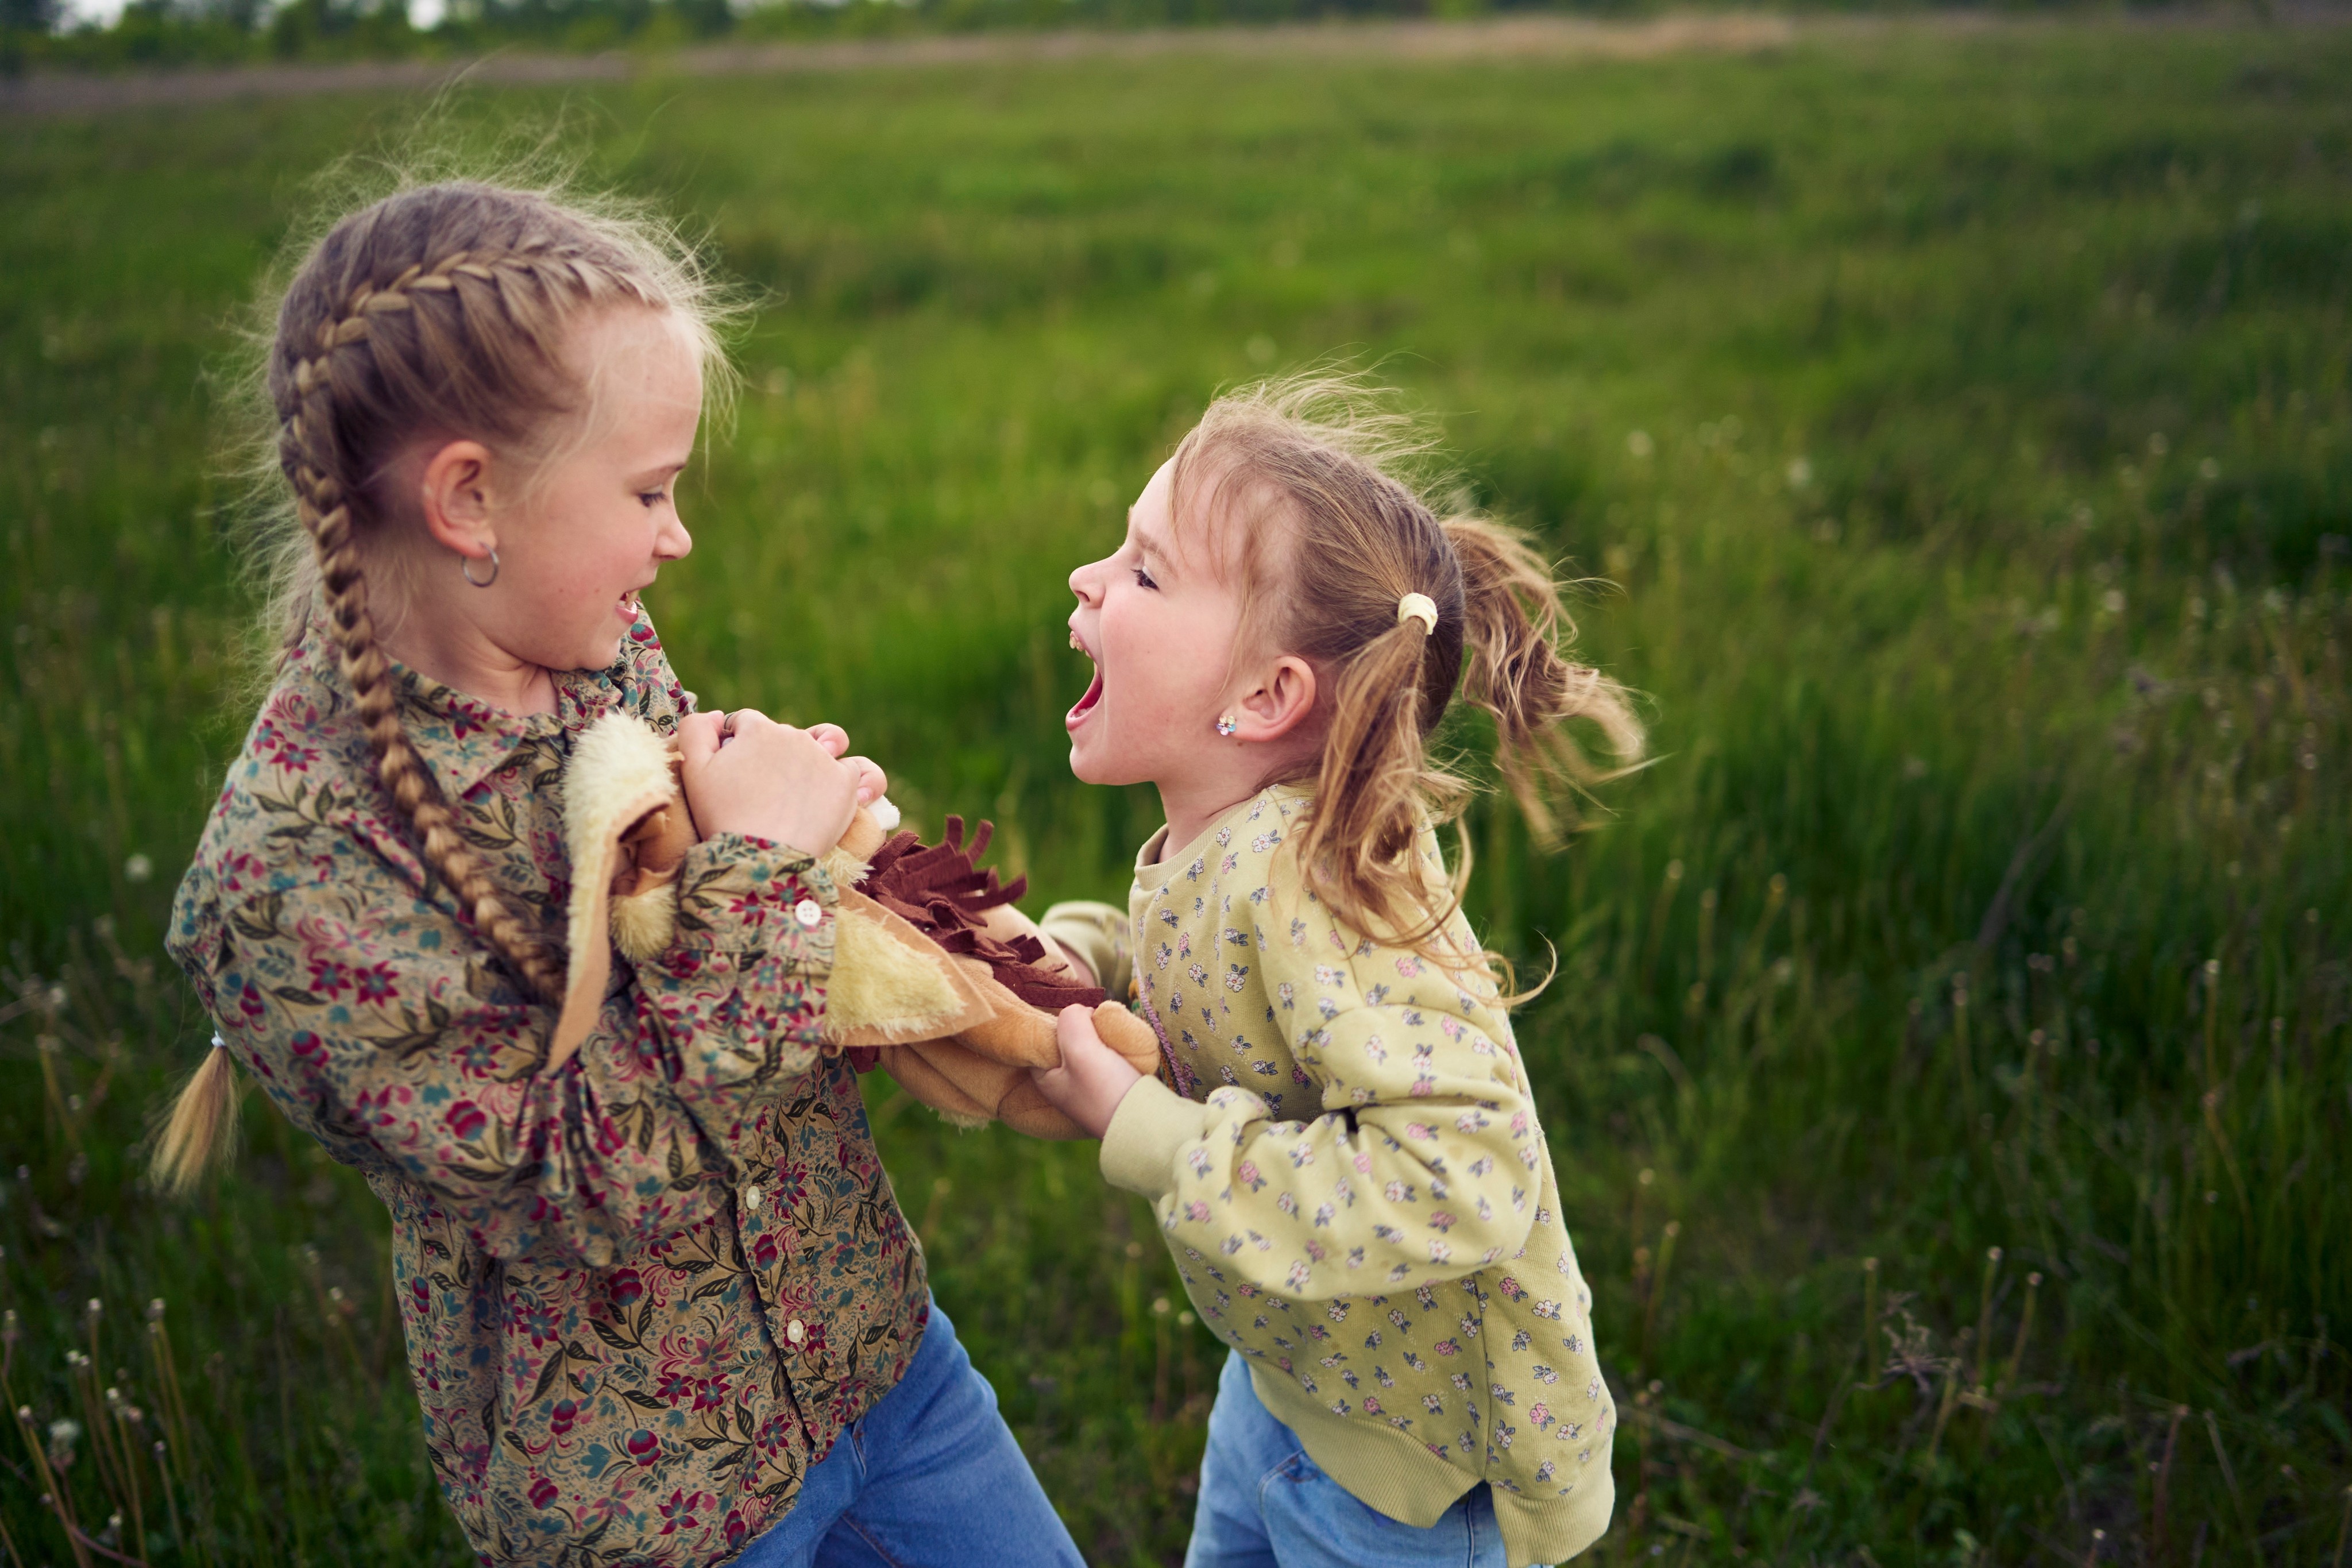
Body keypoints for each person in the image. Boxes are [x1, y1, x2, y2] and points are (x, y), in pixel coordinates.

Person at [155, 179, 1083, 1568]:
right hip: (655, 1508)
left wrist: (883, 911)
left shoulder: (605, 655)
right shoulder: (293, 882)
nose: (676, 536)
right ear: (470, 499)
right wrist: (763, 870)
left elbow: (691, 917)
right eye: (648, 491)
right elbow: (578, 1185)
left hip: (880, 1361)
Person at [1029, 376, 1646, 1568]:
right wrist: (1080, 959)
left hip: (1408, 1478)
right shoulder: (1229, 835)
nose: (1087, 579)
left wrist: (1157, 1137)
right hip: (1288, 1381)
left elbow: (1466, 1170)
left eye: (1145, 572)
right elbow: (1205, 972)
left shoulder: (1320, 885)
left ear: (1265, 696)